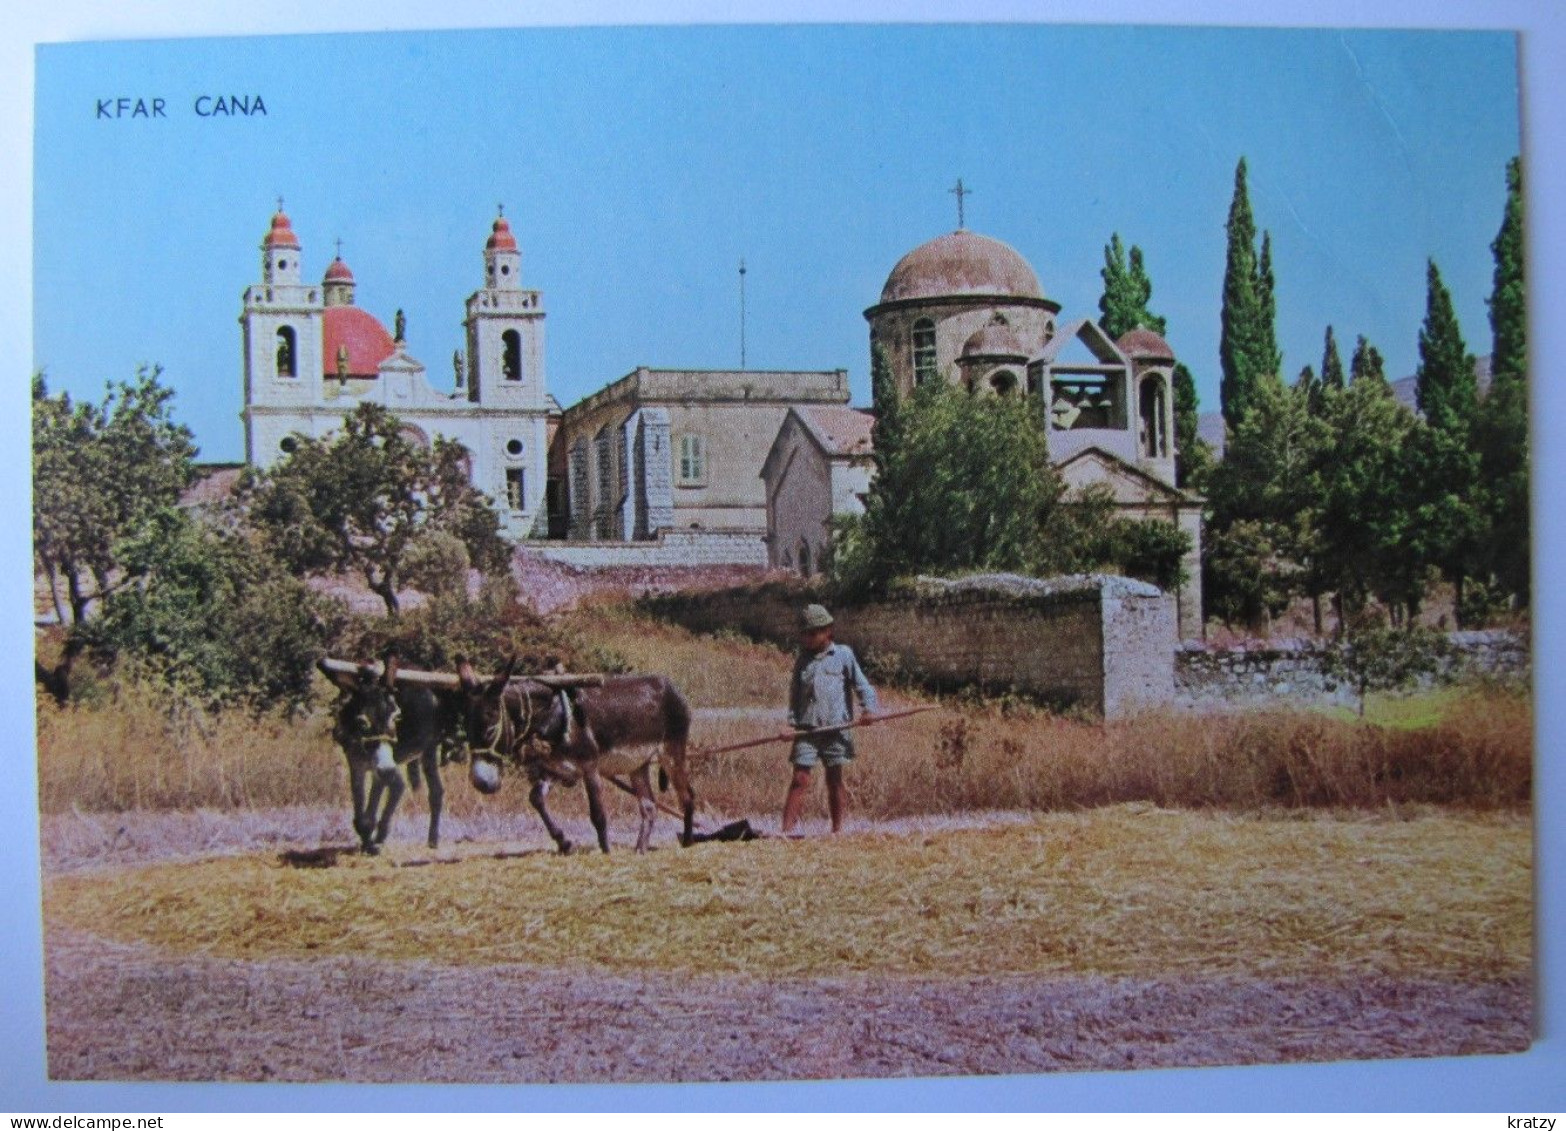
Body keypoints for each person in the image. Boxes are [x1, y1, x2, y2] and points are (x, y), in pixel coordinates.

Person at [782, 603, 879, 835]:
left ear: (828, 631)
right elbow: (795, 696)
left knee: (834, 779)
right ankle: (785, 832)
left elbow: (862, 685)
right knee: (800, 778)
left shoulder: (843, 655)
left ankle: (837, 830)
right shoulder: (802, 661)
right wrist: (789, 724)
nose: (808, 638)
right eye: (804, 634)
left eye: (813, 633)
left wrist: (868, 710)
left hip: (837, 729)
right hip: (807, 730)